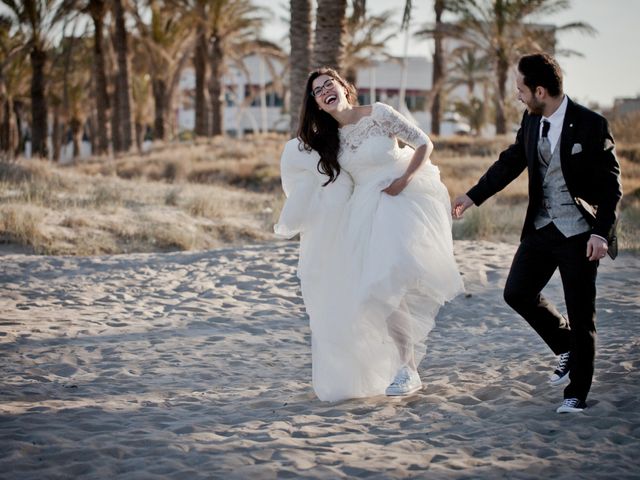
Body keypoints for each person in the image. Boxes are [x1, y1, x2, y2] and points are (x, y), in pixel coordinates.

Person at [275, 68, 463, 402]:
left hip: (401, 198)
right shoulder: (328, 140)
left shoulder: (379, 113)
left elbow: (424, 143)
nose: (324, 91)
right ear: (317, 104)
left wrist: (403, 181)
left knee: (389, 278)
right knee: (377, 290)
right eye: (317, 91)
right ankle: (407, 368)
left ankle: (406, 368)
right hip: (362, 210)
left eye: (328, 84)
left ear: (344, 87)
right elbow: (313, 175)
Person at [452, 53, 622, 414]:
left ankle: (576, 393)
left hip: (580, 234)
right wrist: (471, 196)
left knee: (581, 312)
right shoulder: (531, 121)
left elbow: (611, 187)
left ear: (540, 91)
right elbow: (511, 162)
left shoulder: (592, 124)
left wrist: (601, 234)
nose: (518, 95)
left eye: (520, 89)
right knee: (517, 292)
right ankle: (567, 346)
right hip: (542, 228)